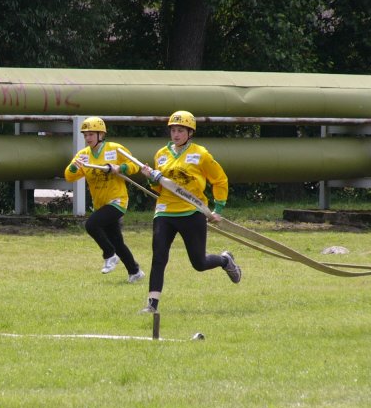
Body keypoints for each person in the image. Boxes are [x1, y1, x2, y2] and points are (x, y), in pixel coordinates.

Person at [139, 110, 241, 313]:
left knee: (199, 263)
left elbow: (220, 180)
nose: (176, 134)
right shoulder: (161, 154)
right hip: (165, 211)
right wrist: (151, 178)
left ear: (190, 132)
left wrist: (217, 208)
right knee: (159, 257)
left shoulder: (201, 154)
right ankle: (152, 304)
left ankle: (224, 260)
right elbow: (160, 188)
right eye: (173, 130)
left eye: (180, 130)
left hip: (192, 212)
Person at [64, 116, 145, 283]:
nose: (87, 138)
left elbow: (135, 165)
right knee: (117, 241)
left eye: (91, 134)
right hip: (100, 204)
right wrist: (74, 167)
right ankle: (135, 271)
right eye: (85, 135)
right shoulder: (83, 155)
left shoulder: (115, 149)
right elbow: (69, 177)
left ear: (101, 134)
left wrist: (120, 168)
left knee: (91, 224)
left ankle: (109, 255)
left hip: (117, 200)